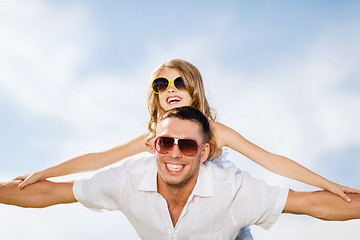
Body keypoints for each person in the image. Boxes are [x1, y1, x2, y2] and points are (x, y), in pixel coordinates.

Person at [13, 59, 359, 238]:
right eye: (161, 84)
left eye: (180, 82)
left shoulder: (214, 130)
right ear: (156, 96)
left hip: (229, 221)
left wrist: (327, 183)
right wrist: (44, 172)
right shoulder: (152, 139)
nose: (171, 88)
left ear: (195, 89)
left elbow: (269, 160)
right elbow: (97, 158)